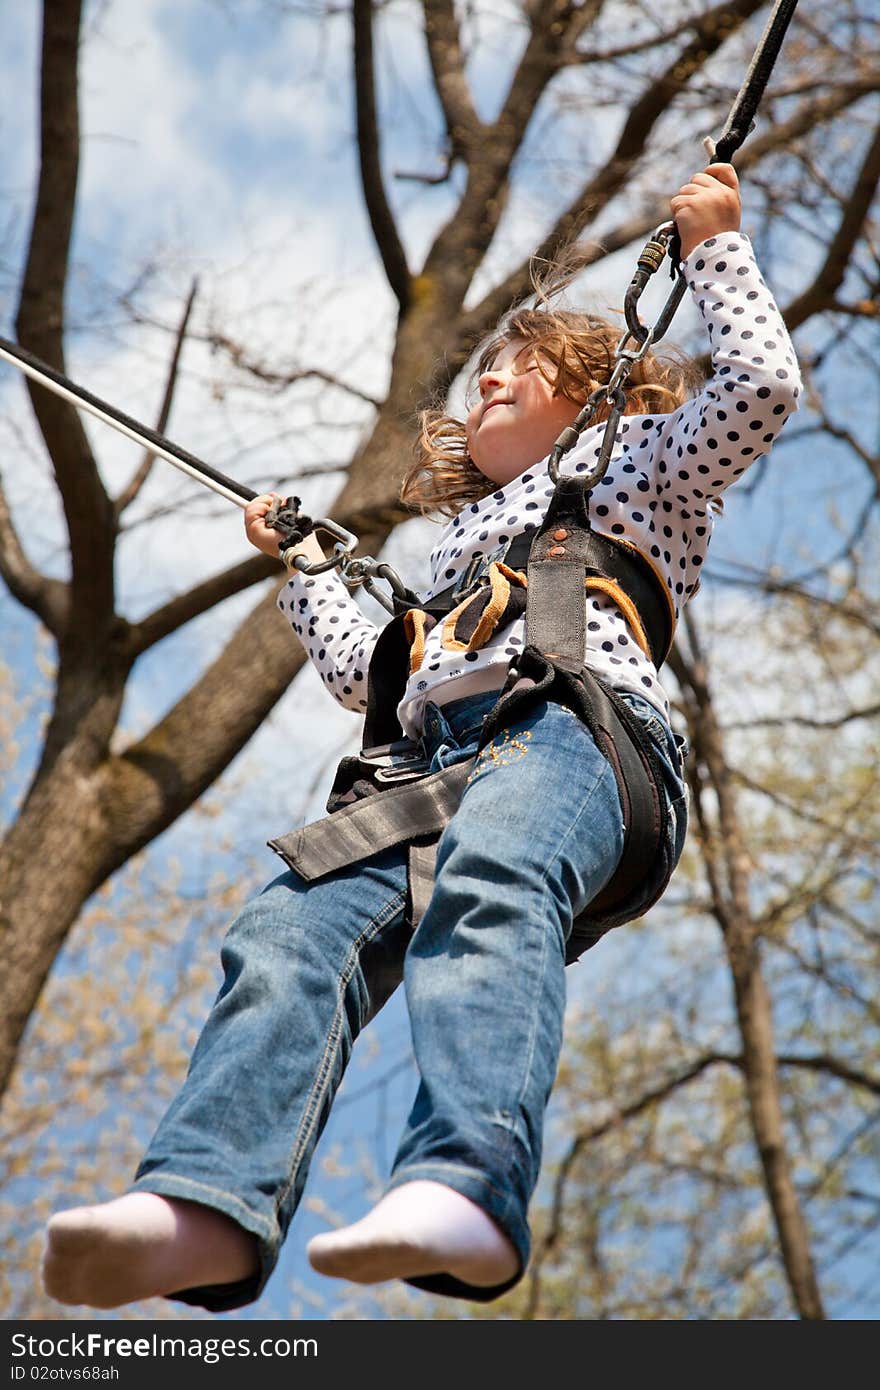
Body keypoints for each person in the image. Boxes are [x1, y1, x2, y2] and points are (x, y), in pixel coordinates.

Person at [41, 164, 800, 1313]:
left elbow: (757, 385)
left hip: (573, 739)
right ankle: (204, 1202)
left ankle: (464, 1180)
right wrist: (303, 569)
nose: (486, 375)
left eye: (516, 364)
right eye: (483, 367)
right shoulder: (449, 556)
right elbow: (367, 672)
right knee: (288, 930)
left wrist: (715, 249)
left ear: (590, 389)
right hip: (428, 769)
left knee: (492, 880)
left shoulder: (640, 467)